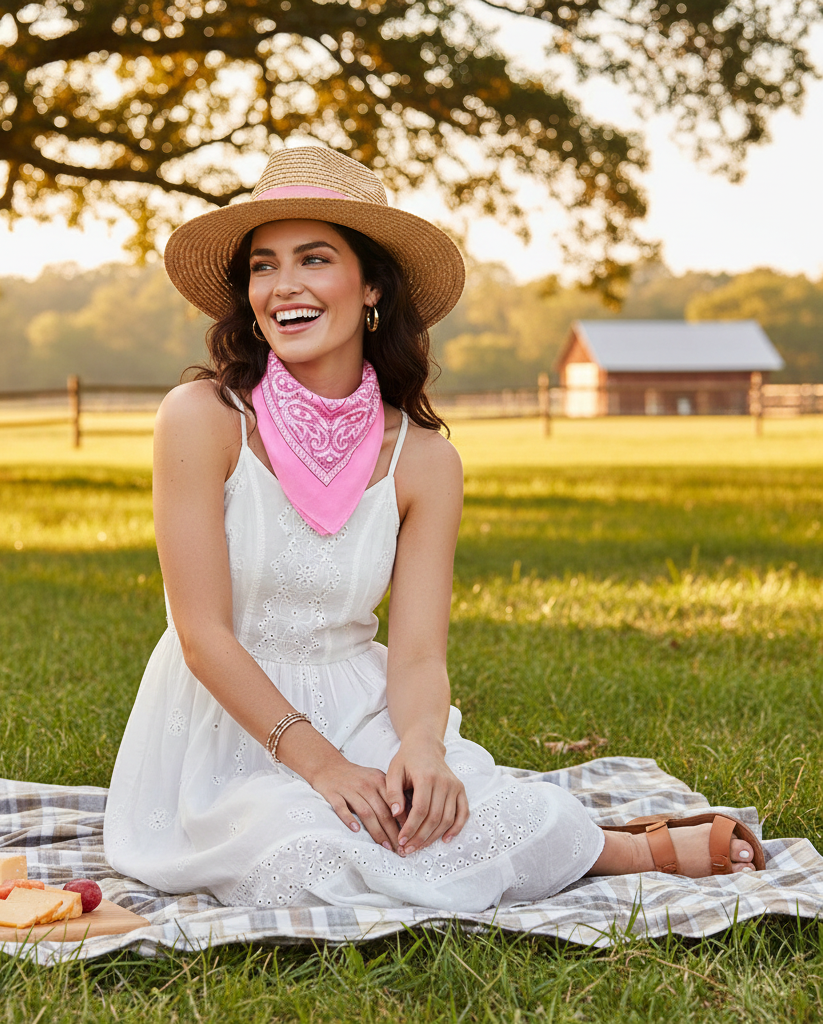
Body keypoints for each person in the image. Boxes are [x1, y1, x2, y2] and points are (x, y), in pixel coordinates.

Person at [103, 146, 764, 910]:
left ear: (373, 283)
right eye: (263, 266)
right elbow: (203, 636)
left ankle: (611, 846)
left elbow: (416, 652)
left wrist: (420, 746)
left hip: (361, 703)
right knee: (304, 858)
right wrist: (322, 766)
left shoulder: (425, 461)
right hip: (222, 726)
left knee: (464, 811)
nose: (283, 287)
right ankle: (606, 852)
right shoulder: (202, 419)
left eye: (314, 259)